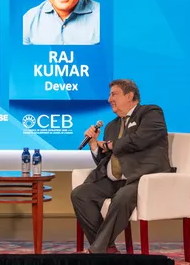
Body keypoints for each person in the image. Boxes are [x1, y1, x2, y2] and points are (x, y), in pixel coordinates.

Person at [71, 79, 174, 254]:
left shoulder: (150, 112)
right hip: (115, 179)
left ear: (129, 95)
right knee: (80, 194)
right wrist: (95, 145)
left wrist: (110, 145)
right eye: (109, 95)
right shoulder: (112, 126)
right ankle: (107, 249)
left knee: (122, 196)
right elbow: (106, 160)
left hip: (143, 178)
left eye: (114, 94)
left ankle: (97, 250)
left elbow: (140, 139)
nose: (109, 99)